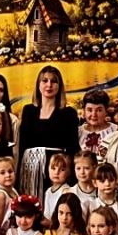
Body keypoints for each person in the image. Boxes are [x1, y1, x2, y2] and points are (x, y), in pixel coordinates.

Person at [16, 67, 79, 200]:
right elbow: (22, 145)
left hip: (56, 169)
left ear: (59, 86)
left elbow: (73, 147)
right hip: (30, 169)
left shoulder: (68, 113)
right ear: (38, 85)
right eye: (45, 81)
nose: (49, 85)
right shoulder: (28, 111)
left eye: (53, 81)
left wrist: (69, 174)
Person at [76, 87, 116, 160]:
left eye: (99, 110)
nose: (94, 114)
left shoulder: (116, 131)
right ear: (84, 111)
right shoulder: (78, 132)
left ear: (106, 111)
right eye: (89, 110)